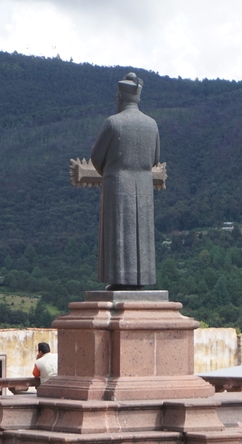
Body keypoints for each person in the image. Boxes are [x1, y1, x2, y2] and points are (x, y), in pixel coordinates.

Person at [90, 72, 160, 290]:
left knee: (118, 232)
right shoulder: (152, 125)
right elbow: (155, 159)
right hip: (144, 188)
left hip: (117, 186)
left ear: (120, 98)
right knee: (142, 233)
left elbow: (96, 158)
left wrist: (112, 170)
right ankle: (142, 280)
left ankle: (119, 279)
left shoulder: (113, 123)